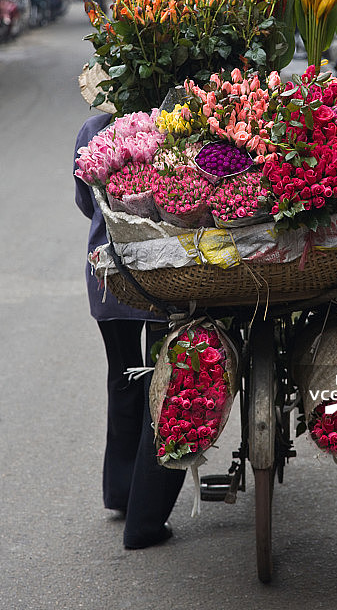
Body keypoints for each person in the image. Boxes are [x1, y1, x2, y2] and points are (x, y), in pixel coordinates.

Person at [74, 111, 186, 549]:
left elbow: (87, 202)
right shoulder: (176, 119)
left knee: (123, 380)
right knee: (164, 387)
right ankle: (144, 521)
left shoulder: (94, 127)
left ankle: (121, 493)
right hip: (164, 276)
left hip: (111, 278)